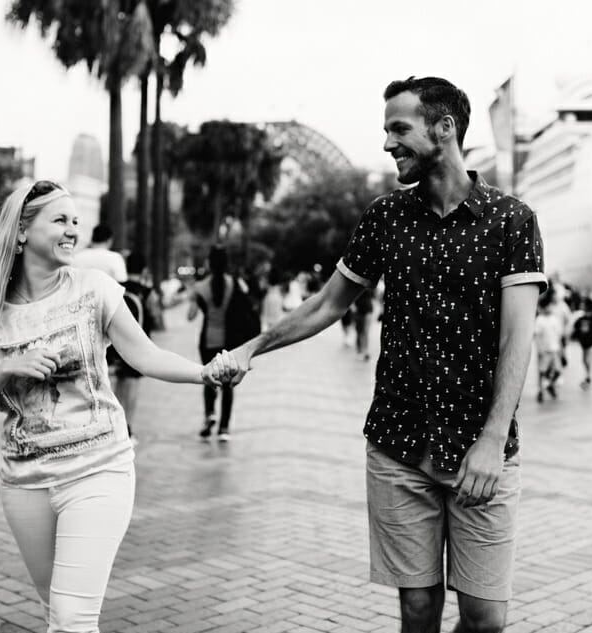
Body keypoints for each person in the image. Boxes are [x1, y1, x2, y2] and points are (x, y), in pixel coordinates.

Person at [209, 76, 545, 633]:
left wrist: (491, 440)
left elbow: (518, 338)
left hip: (481, 450)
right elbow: (326, 304)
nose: (388, 143)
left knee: (486, 619)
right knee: (417, 610)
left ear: (445, 128)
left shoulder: (511, 220)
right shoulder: (386, 217)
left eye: (399, 128)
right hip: (399, 443)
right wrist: (252, 347)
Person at [0, 180, 222, 631]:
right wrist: (5, 369)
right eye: (60, 220)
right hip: (24, 482)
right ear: (21, 232)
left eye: (76, 221)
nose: (73, 230)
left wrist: (203, 373)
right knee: (56, 613)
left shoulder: (95, 288)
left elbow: (146, 355)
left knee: (72, 618)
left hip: (99, 469)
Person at [188, 245, 257, 441]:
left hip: (208, 340)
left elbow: (190, 316)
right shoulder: (235, 283)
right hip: (230, 341)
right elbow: (247, 303)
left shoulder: (200, 287)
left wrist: (196, 300)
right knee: (228, 384)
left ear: (209, 263)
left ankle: (210, 414)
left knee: (208, 378)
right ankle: (224, 428)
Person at [113, 252, 162, 435]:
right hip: (138, 344)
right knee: (132, 385)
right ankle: (128, 427)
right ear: (143, 269)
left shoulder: (117, 287)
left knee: (118, 382)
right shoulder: (147, 292)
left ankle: (115, 423)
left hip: (116, 342)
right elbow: (156, 316)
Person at [534, 290, 565, 402]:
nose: (549, 308)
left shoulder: (554, 319)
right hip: (545, 350)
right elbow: (537, 336)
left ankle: (549, 385)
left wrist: (561, 351)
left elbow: (558, 336)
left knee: (557, 371)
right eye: (547, 306)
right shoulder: (540, 320)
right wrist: (540, 349)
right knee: (542, 371)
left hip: (554, 350)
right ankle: (541, 390)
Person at [571, 297, 592, 389]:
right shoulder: (582, 317)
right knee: (584, 360)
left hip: (591, 342)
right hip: (584, 342)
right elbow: (576, 326)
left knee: (588, 360)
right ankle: (587, 376)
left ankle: (588, 377)